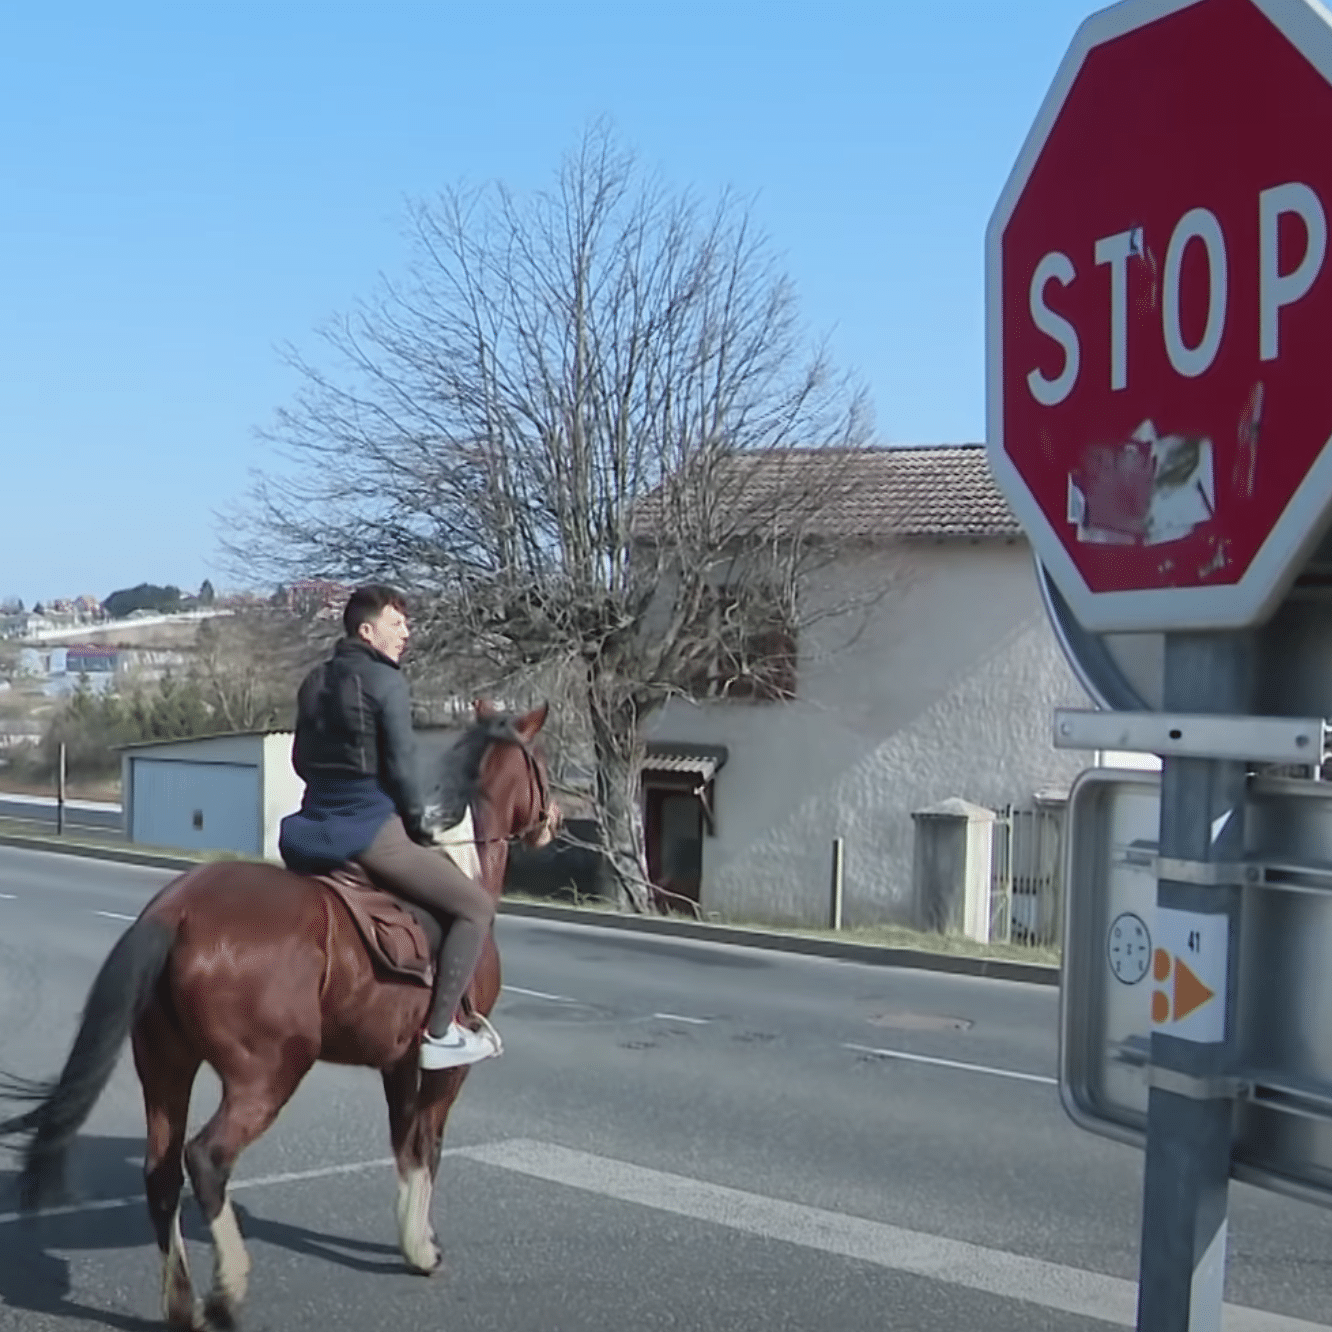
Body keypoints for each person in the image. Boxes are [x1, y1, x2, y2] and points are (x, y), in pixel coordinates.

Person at [279, 584, 501, 1070]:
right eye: (396, 623)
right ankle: (441, 1033)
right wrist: (419, 828)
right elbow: (402, 771)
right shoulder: (386, 683)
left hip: (306, 830)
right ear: (366, 629)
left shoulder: (313, 682)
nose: (407, 632)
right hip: (368, 833)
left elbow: (300, 761)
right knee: (475, 906)